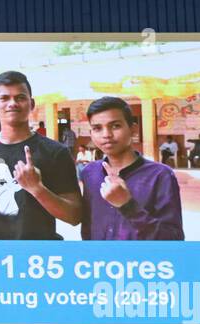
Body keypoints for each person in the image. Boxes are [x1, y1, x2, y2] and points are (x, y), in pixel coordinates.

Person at [0, 71, 80, 240]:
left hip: (36, 255)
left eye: (20, 97)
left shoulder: (55, 152)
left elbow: (74, 216)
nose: (12, 103)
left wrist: (37, 189)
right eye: (4, 98)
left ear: (31, 104)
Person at [79, 96, 184, 241]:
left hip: (141, 262)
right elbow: (88, 227)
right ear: (91, 133)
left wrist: (127, 205)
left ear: (133, 129)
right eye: (97, 128)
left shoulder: (160, 175)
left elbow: (173, 239)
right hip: (100, 261)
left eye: (115, 126)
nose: (106, 135)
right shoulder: (90, 173)